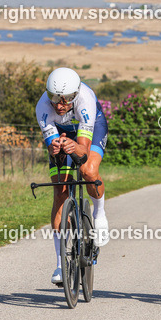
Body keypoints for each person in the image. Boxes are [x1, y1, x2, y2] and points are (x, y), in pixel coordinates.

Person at [35, 67, 109, 286]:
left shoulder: (85, 100)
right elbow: (50, 147)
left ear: (75, 95)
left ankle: (100, 213)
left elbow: (84, 151)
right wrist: (55, 147)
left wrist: (74, 147)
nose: (59, 104)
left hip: (91, 129)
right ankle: (60, 264)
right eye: (55, 98)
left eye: (65, 99)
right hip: (61, 130)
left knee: (88, 171)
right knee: (60, 190)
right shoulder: (42, 107)